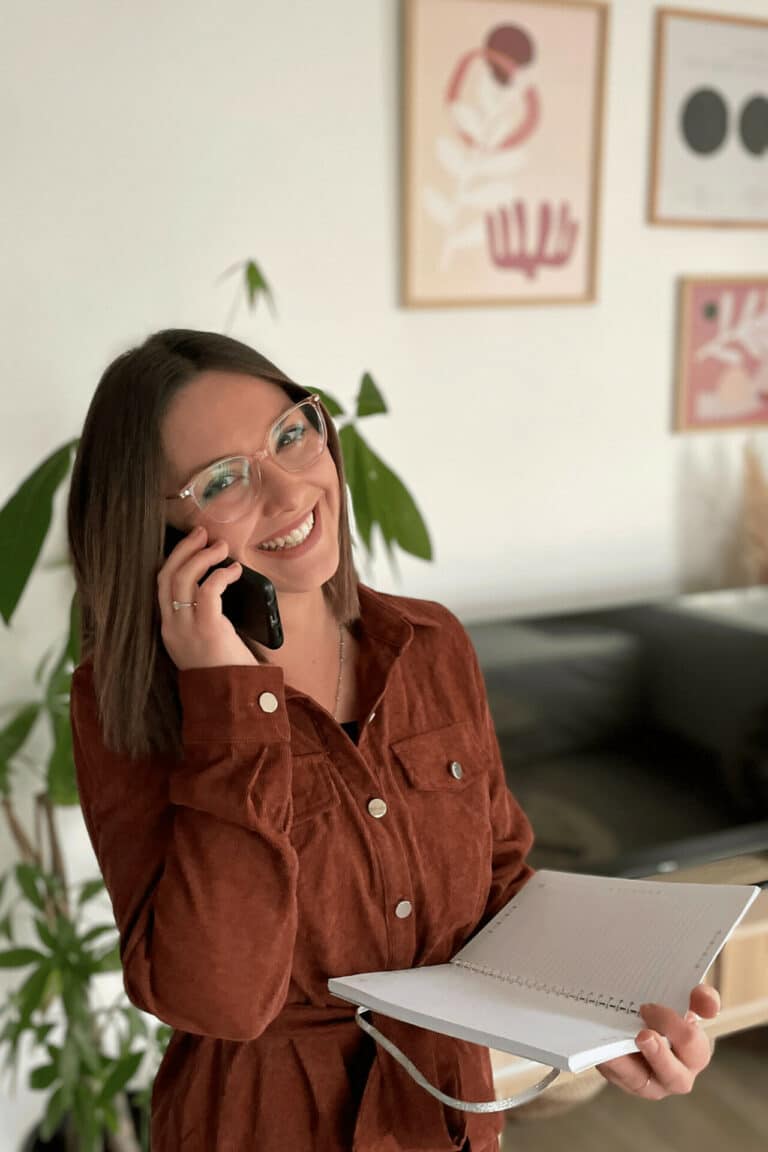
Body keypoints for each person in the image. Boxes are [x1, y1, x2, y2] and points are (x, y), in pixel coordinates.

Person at [67, 329, 719, 1152]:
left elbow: (496, 894)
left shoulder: (430, 645)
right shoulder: (126, 702)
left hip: (445, 1115)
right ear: (159, 528)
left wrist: (623, 1022)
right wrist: (228, 701)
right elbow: (218, 999)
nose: (287, 490)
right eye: (224, 480)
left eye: (290, 435)